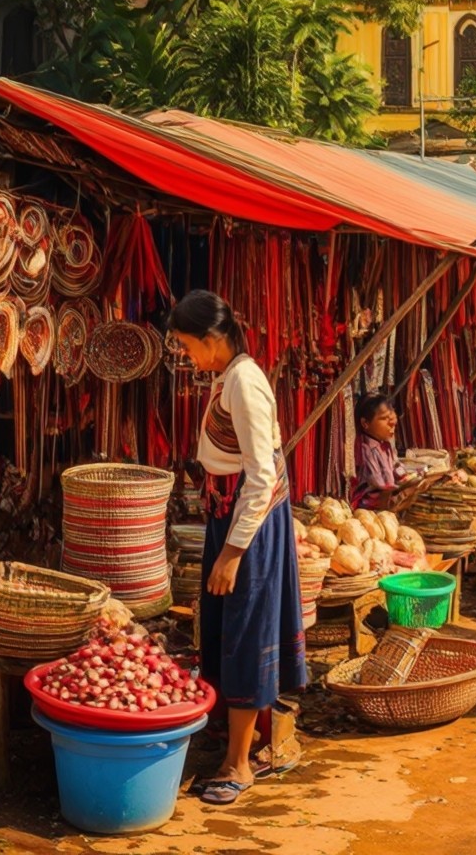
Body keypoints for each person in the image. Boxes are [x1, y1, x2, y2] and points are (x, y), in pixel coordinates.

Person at [171, 290, 306, 807]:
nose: (188, 357)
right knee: (227, 628)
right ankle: (233, 743)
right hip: (229, 520)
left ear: (212, 339)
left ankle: (240, 764)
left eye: (188, 347)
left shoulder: (245, 382)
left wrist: (232, 553)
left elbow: (261, 474)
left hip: (247, 527)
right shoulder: (229, 376)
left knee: (245, 635)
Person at [350, 393, 411, 511]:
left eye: (391, 418)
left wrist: (409, 476)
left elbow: (396, 468)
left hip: (386, 502)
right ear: (365, 423)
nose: (392, 423)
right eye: (384, 418)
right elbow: (379, 486)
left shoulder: (386, 446)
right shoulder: (366, 450)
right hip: (370, 509)